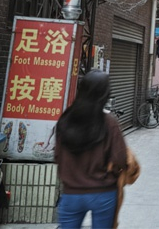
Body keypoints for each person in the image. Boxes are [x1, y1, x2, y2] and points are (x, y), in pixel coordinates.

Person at [55, 70, 128, 229]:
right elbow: (120, 158)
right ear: (105, 94)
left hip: (71, 193)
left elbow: (57, 155)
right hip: (103, 192)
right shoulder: (109, 122)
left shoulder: (66, 119)